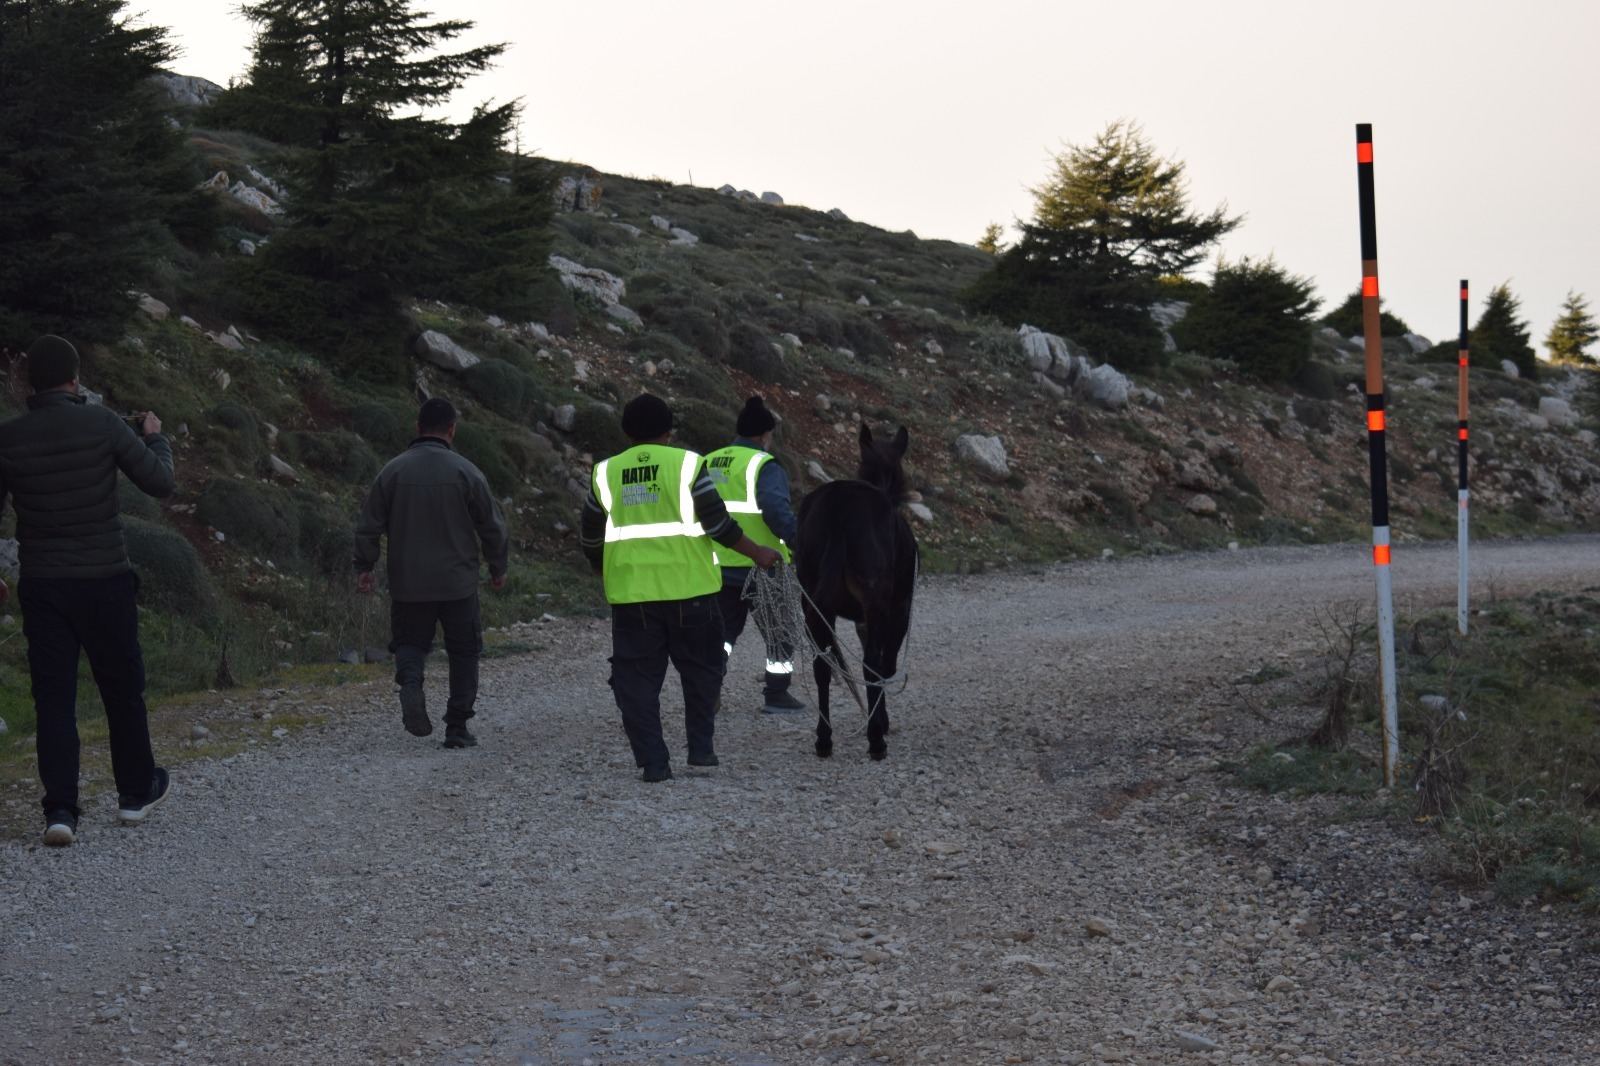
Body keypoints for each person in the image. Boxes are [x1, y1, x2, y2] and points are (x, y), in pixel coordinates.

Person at [0, 335, 175, 846]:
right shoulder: (103, 423)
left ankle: (60, 812)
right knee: (122, 689)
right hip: (104, 581)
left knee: (53, 699)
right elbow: (160, 482)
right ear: (75, 378)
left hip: (43, 585)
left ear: (26, 381)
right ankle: (136, 794)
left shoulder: (7, 437)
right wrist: (154, 436)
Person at [580, 393, 780, 782]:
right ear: (669, 432)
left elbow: (590, 535)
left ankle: (654, 762)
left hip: (633, 597)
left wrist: (598, 568)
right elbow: (718, 525)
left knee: (635, 682)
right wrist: (758, 552)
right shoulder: (688, 465)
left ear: (625, 432)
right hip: (693, 592)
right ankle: (701, 750)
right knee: (703, 672)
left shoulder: (606, 472)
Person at [355, 398, 508, 749]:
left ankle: (411, 683)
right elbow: (493, 527)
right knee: (464, 651)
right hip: (458, 583)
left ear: (417, 427)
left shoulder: (391, 472)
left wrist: (364, 567)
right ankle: (457, 726)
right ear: (452, 430)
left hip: (409, 582)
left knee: (410, 643)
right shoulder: (467, 472)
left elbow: (367, 527)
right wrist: (497, 566)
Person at [706, 396, 807, 714]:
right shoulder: (763, 465)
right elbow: (776, 509)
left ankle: (708, 687)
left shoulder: (708, 461)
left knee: (721, 633)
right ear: (764, 435)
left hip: (717, 565)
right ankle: (776, 694)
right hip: (762, 566)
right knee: (782, 629)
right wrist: (798, 544)